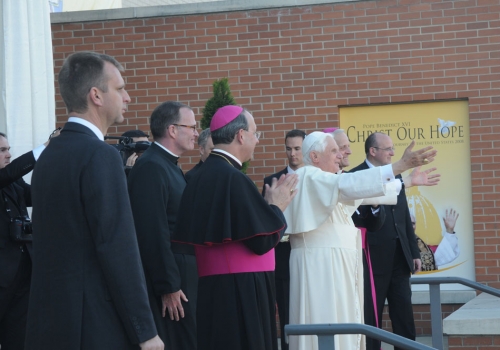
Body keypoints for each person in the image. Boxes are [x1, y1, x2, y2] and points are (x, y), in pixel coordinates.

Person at [26, 52, 163, 350]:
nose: (127, 97)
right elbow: (117, 246)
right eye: (120, 88)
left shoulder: (49, 155)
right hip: (95, 325)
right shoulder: (100, 155)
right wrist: (146, 332)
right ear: (96, 96)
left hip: (50, 322)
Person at [283, 131, 437, 350]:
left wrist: (407, 180)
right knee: (324, 320)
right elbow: (352, 184)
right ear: (315, 157)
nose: (340, 155)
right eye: (334, 150)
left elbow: (369, 192)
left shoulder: (329, 182)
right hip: (321, 269)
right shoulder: (308, 176)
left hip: (336, 269)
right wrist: (399, 166)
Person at [172, 105, 299, 350]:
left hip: (213, 291)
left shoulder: (199, 175)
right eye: (255, 133)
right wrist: (276, 206)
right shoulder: (233, 178)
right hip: (242, 292)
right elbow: (261, 241)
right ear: (241, 135)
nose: (257, 140)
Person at [128, 101, 199, 350]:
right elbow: (152, 231)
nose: (196, 133)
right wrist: (168, 285)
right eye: (191, 127)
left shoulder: (168, 165)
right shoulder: (151, 167)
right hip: (171, 281)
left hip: (181, 272)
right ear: (172, 130)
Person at [349, 132, 427, 350]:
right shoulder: (354, 176)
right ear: (373, 151)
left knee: (404, 315)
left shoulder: (396, 176)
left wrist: (413, 251)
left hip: (400, 258)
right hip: (371, 259)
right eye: (388, 149)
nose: (393, 153)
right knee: (371, 318)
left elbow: (403, 216)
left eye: (393, 148)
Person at [0, 131, 53, 349]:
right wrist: (46, 146)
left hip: (23, 274)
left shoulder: (13, 181)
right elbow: (9, 174)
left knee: (19, 339)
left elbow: (37, 195)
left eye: (9, 149)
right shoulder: (7, 176)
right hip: (2, 277)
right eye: (3, 150)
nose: (9, 155)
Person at [261, 128, 306, 350]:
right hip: (282, 254)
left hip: (309, 252)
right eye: (288, 149)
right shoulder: (272, 181)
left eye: (297, 148)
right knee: (286, 311)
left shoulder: (317, 179)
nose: (292, 153)